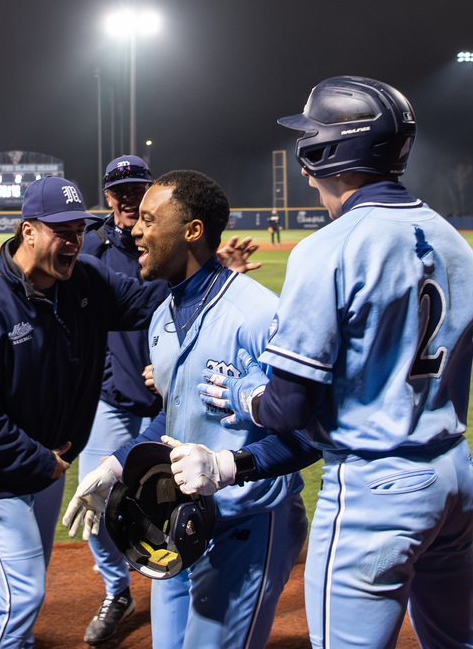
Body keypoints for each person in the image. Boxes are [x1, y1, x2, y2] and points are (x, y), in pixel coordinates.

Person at [197, 77, 473, 649]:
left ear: (329, 151)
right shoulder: (456, 241)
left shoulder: (328, 248)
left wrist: (239, 394)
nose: (303, 149)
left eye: (311, 135)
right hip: (455, 476)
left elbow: (289, 408)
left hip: (375, 489)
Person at [63, 169, 309, 649]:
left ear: (192, 231)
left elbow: (307, 432)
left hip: (249, 524)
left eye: (151, 220)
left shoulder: (258, 315)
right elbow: (171, 418)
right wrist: (117, 463)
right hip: (180, 523)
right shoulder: (161, 317)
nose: (135, 229)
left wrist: (227, 467)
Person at [0, 176, 167, 649]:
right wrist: (42, 461)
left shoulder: (84, 279)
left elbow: (147, 303)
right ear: (28, 232)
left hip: (49, 467)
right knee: (21, 595)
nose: (73, 241)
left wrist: (202, 272)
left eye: (79, 230)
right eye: (61, 230)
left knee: (28, 580)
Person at [76, 155, 168, 643]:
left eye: (139, 187)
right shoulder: (88, 245)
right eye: (121, 190)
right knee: (94, 499)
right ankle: (117, 589)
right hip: (109, 400)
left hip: (168, 403)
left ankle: (184, 585)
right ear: (108, 196)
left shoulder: (173, 240)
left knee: (179, 502)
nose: (130, 197)